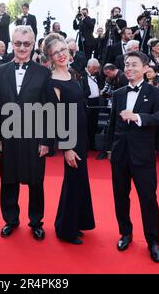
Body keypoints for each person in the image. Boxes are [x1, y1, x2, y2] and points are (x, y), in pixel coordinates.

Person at [107, 51, 159, 263]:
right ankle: (125, 233)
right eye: (127, 64)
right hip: (120, 154)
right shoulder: (119, 93)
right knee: (120, 197)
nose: (129, 68)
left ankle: (153, 241)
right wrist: (109, 149)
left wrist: (138, 117)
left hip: (143, 157)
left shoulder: (155, 93)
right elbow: (112, 124)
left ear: (145, 68)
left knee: (148, 199)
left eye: (134, 64)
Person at [0, 25, 51, 240]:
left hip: (34, 136)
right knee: (8, 179)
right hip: (7, 135)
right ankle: (11, 219)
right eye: (17, 43)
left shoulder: (44, 73)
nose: (22, 47)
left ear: (33, 45)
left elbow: (49, 109)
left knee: (36, 181)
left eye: (26, 43)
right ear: (12, 43)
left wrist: (46, 139)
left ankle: (36, 221)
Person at [43, 33, 95, 244]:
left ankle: (72, 223)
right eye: (56, 53)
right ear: (50, 57)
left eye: (63, 50)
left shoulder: (73, 73)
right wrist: (67, 148)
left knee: (77, 180)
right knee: (74, 180)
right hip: (71, 139)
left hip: (81, 136)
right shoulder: (52, 82)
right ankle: (66, 230)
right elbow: (57, 117)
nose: (61, 54)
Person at [80, 58, 105, 150]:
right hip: (86, 102)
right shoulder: (81, 75)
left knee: (94, 124)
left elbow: (101, 85)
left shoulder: (98, 75)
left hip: (96, 102)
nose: (97, 70)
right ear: (89, 67)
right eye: (95, 68)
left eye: (97, 68)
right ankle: (85, 146)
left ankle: (92, 144)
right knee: (85, 125)